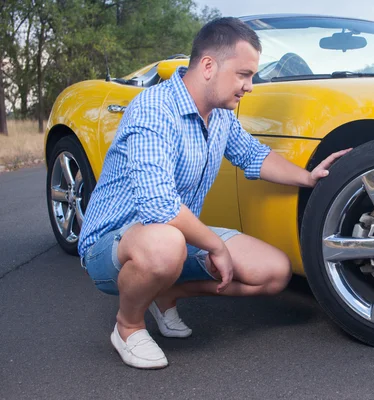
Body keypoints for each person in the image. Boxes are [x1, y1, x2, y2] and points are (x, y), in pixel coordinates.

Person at [78, 17, 350, 369]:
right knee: (165, 244)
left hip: (174, 236)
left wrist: (309, 178)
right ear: (208, 66)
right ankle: (128, 325)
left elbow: (253, 156)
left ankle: (166, 292)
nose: (250, 86)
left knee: (274, 271)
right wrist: (215, 244)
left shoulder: (219, 115)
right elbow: (160, 207)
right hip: (113, 243)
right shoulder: (154, 110)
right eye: (243, 74)